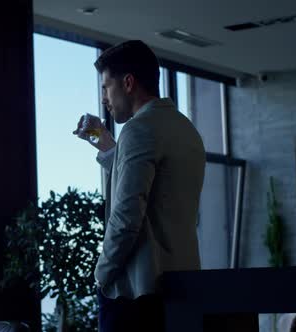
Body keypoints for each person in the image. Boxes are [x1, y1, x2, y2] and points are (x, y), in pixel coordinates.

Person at [73, 40, 206, 331]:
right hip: (180, 287)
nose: (104, 98)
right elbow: (160, 193)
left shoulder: (138, 130)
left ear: (128, 82)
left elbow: (126, 217)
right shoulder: (185, 128)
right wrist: (108, 145)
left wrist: (102, 272)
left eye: (106, 87)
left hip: (136, 294)